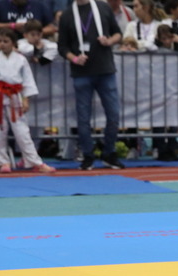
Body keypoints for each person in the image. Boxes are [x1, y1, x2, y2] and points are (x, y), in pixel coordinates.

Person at [57, 0, 126, 170]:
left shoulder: (103, 7)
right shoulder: (67, 15)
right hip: (82, 72)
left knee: (114, 115)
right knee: (83, 118)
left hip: (105, 70)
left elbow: (118, 33)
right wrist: (74, 58)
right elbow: (62, 47)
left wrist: (109, 41)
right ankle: (88, 155)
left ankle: (109, 153)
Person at [0, 28, 55, 173]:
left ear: (13, 43)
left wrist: (26, 99)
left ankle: (34, 161)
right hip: (0, 96)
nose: (2, 44)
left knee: (22, 132)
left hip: (15, 97)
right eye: (0, 41)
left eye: (6, 41)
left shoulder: (21, 59)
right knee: (0, 132)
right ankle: (3, 162)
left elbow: (27, 81)